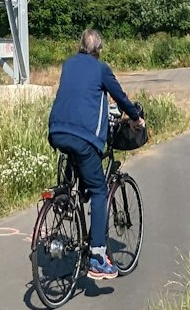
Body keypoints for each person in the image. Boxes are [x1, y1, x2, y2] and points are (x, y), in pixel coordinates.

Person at [48, 28, 145, 281]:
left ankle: (66, 199)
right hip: (83, 137)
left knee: (78, 166)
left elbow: (77, 94)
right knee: (100, 190)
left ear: (80, 45)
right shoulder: (101, 69)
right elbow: (120, 97)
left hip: (56, 130)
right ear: (99, 49)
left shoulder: (68, 64)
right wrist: (136, 118)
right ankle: (98, 258)